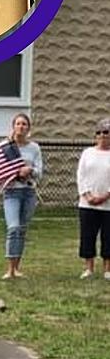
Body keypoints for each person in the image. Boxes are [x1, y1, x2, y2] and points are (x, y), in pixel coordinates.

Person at [0, 113, 43, 280]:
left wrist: (30, 170)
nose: (21, 127)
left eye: (24, 124)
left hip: (29, 192)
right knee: (13, 228)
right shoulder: (5, 146)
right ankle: (9, 269)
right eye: (18, 123)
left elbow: (40, 172)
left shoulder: (34, 148)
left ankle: (17, 267)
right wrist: (16, 172)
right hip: (12, 192)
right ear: (13, 126)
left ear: (28, 128)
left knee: (22, 229)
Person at [76, 118, 110, 280]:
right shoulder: (87, 153)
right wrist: (88, 195)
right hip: (87, 203)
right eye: (99, 132)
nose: (102, 135)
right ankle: (88, 268)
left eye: (106, 132)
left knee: (108, 237)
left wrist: (105, 195)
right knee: (87, 236)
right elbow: (81, 176)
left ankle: (107, 269)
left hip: (108, 204)